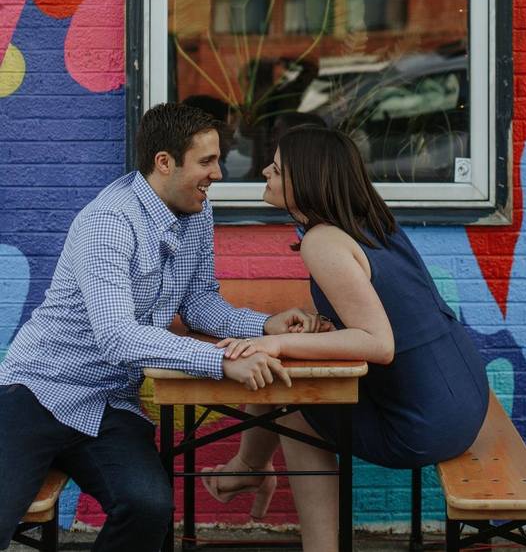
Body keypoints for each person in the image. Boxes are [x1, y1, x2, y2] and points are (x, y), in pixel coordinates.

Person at [0, 103, 323, 552]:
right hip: (37, 393)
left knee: (149, 507)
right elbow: (117, 335)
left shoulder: (197, 212)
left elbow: (199, 303)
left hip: (110, 404)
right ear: (165, 162)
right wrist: (221, 361)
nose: (218, 174)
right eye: (207, 161)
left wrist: (266, 325)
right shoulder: (109, 222)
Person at [202, 127, 490, 552]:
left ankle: (302, 527)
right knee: (289, 381)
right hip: (465, 396)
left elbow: (379, 344)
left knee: (292, 399)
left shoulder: (323, 241)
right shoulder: (372, 222)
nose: (264, 171)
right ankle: (247, 469)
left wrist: (276, 344)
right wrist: (327, 326)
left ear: (307, 180)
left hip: (426, 423)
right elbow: (398, 314)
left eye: (277, 168)